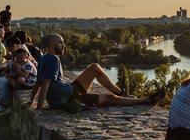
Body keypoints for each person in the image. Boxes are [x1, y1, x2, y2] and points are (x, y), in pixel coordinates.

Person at [30, 34, 165, 111]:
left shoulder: (43, 58)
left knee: (95, 67)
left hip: (69, 91)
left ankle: (123, 93)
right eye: (61, 42)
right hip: (68, 99)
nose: (63, 45)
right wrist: (39, 109)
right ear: (53, 44)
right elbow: (45, 83)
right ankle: (146, 100)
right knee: (109, 98)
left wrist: (31, 101)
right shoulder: (53, 59)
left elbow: (38, 81)